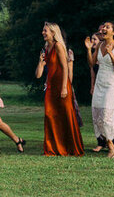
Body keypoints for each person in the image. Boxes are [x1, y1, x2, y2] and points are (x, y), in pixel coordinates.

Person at [35, 22, 84, 156]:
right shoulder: (46, 48)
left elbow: (65, 68)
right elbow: (38, 75)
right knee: (49, 115)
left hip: (62, 84)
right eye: (43, 30)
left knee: (65, 115)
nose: (43, 33)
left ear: (53, 33)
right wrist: (40, 62)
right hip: (50, 85)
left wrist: (64, 88)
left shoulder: (58, 46)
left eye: (45, 31)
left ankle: (70, 148)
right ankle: (53, 148)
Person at [85, 21, 114, 158]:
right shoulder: (99, 45)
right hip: (100, 83)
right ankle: (111, 148)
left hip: (111, 84)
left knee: (106, 117)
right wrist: (88, 49)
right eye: (103, 27)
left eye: (107, 27)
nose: (103, 29)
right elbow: (92, 63)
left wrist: (111, 54)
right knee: (97, 116)